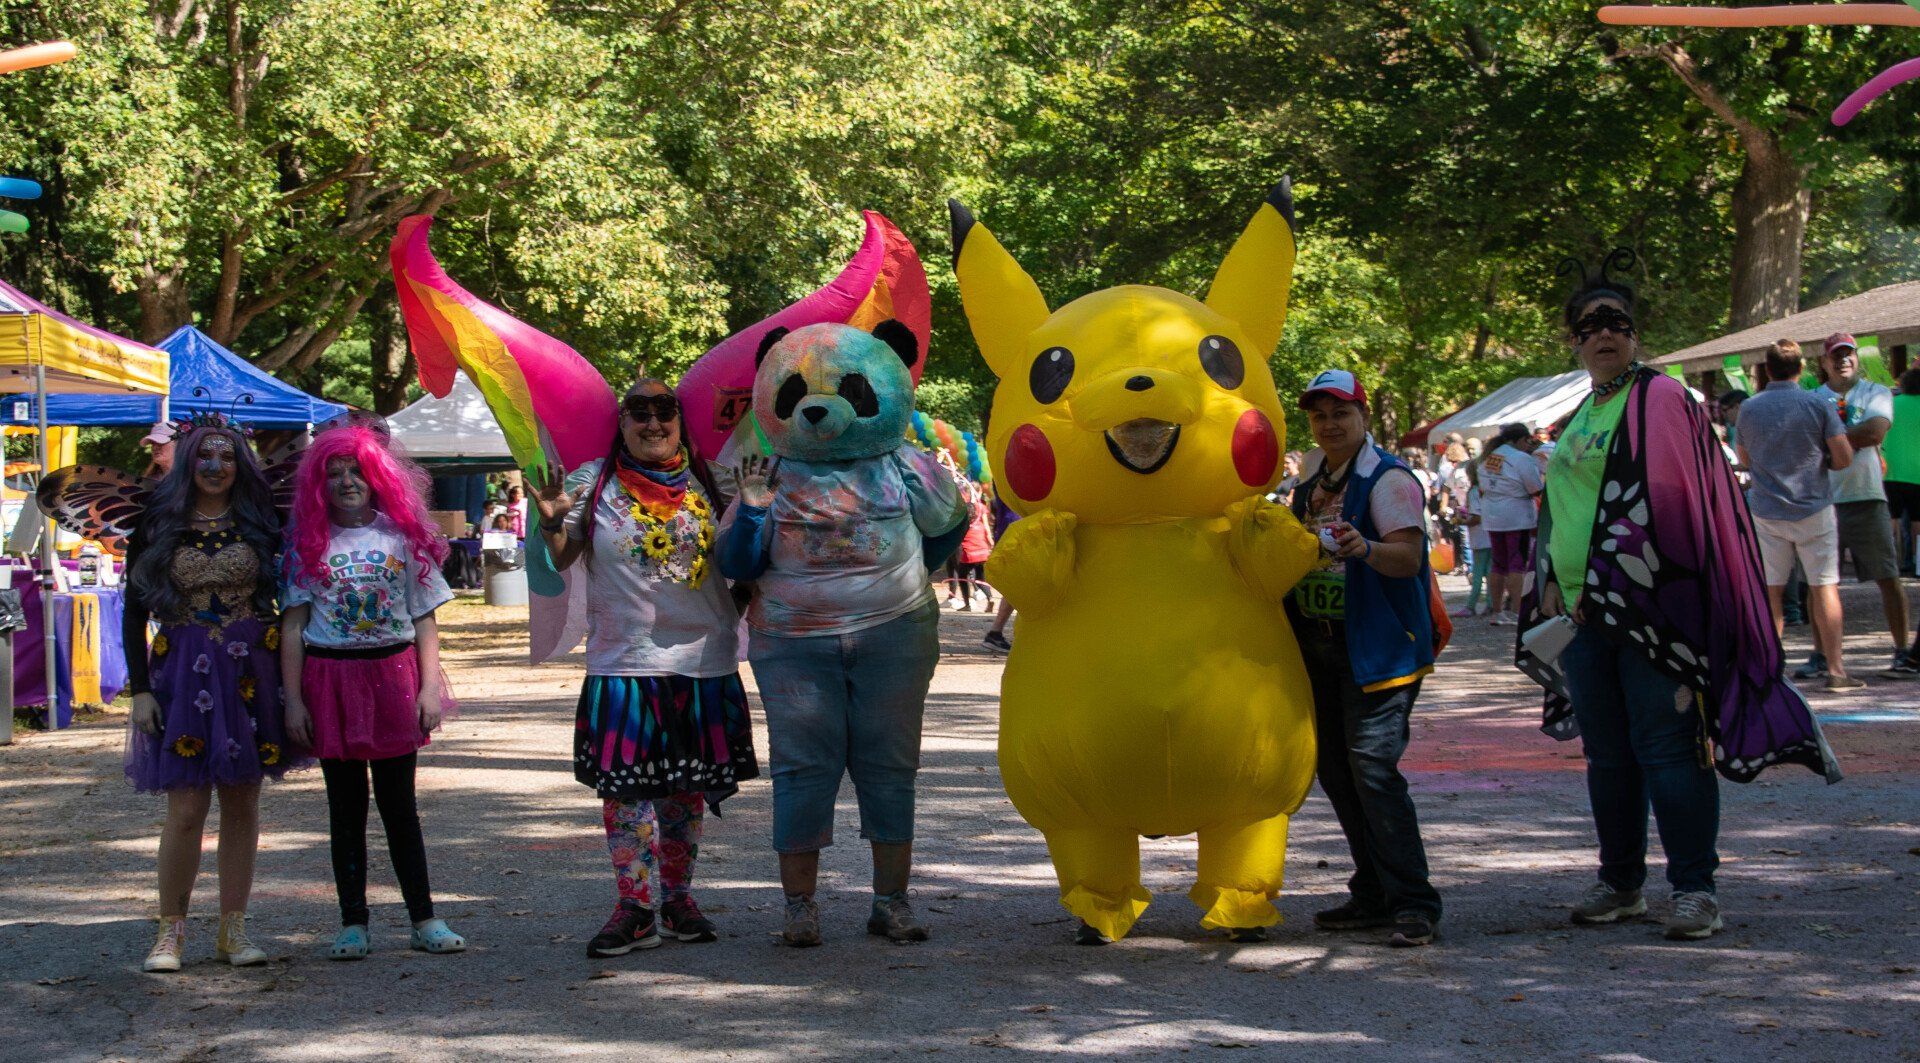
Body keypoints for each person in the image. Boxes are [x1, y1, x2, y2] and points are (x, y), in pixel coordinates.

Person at [1520, 259, 1841, 943]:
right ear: (1573, 342)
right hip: (1581, 616)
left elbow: (1669, 502)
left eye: (1616, 322)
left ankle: (1696, 890)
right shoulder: (1582, 413)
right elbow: (1562, 509)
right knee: (1609, 754)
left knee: (1667, 749)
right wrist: (1550, 578)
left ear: (1635, 333)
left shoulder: (1661, 397)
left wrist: (1607, 582)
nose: (1604, 334)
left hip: (1654, 611)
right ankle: (1621, 883)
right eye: (1588, 326)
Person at [717, 321, 968, 948]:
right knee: (802, 767)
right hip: (793, 644)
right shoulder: (767, 471)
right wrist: (752, 510)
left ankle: (891, 904)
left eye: (851, 390)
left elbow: (948, 526)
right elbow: (737, 563)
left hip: (895, 635)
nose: (816, 406)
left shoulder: (906, 464)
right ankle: (799, 908)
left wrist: (910, 572)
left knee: (890, 765)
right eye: (796, 391)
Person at [529, 380, 758, 957]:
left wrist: (734, 606)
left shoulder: (717, 482)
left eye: (664, 412)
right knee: (626, 794)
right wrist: (553, 523)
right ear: (621, 422)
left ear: (680, 421)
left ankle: (678, 901)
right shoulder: (592, 482)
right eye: (639, 412)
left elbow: (752, 554)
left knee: (686, 792)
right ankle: (634, 908)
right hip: (623, 663)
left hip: (703, 665)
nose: (652, 423)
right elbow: (565, 556)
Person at [120, 417, 305, 972]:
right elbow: (133, 613)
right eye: (204, 456)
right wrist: (140, 690)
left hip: (252, 671)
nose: (216, 466)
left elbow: (296, 596)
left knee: (243, 803)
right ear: (187, 462)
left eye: (227, 457)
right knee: (186, 808)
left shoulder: (264, 520)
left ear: (241, 464)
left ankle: (233, 931)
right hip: (182, 674)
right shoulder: (158, 521)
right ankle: (170, 934)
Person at [281, 424, 466, 960]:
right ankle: (353, 922)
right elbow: (292, 627)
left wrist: (429, 688)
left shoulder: (401, 537)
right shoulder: (306, 544)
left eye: (357, 471)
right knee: (345, 810)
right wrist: (294, 700)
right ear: (318, 484)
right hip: (330, 681)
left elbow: (425, 620)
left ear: (378, 476)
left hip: (392, 678)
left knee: (399, 806)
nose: (347, 482)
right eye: (334, 473)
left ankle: (424, 918)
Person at [1288, 370, 1442, 948]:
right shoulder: (1310, 482)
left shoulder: (1388, 479)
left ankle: (1415, 903)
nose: (1329, 425)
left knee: (1373, 770)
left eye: (1341, 413)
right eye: (1319, 416)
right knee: (1337, 771)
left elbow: (1408, 558)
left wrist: (1365, 548)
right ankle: (1374, 891)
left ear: (1364, 417)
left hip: (1379, 649)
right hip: (1321, 646)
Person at [1739, 339, 1862, 691]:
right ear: (1802, 368)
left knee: (1771, 592)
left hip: (1767, 510)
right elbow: (1843, 457)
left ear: (1766, 369)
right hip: (1814, 508)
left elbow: (1744, 458)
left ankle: (1771, 670)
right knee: (1824, 587)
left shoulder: (1749, 408)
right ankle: (1836, 670)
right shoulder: (1817, 404)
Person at [1801, 334, 1914, 679]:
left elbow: (1876, 432)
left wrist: (1829, 438)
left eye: (1849, 354)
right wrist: (1848, 436)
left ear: (1857, 359)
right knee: (1819, 584)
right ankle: (1821, 654)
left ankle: (1902, 651)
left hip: (1867, 497)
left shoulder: (1875, 392)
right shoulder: (1812, 399)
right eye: (1836, 356)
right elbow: (1808, 440)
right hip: (1822, 500)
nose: (1843, 361)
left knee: (1888, 577)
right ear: (1824, 362)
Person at [1477, 421, 1544, 626]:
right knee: (1517, 563)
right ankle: (1517, 610)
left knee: (1498, 564)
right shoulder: (1520, 458)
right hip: (1516, 515)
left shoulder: (1488, 457)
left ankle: (1497, 610)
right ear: (1522, 439)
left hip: (1492, 514)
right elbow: (1535, 487)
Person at [1884, 367, 1920, 579]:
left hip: (1890, 472)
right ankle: (1919, 564)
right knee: (1918, 522)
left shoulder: (1890, 404)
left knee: (1892, 519)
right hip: (1917, 473)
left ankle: (1892, 566)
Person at [946, 480, 996, 612]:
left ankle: (967, 604)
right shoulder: (980, 510)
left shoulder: (961, 516)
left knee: (962, 577)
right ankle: (990, 598)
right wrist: (990, 543)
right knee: (981, 578)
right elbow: (987, 528)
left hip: (969, 552)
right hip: (982, 550)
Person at [1452, 459, 1491, 617]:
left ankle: (1471, 605)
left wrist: (1461, 521)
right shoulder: (1486, 490)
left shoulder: (1474, 492)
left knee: (1477, 574)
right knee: (1489, 572)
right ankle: (1491, 604)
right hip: (1490, 535)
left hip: (1479, 538)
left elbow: (1476, 517)